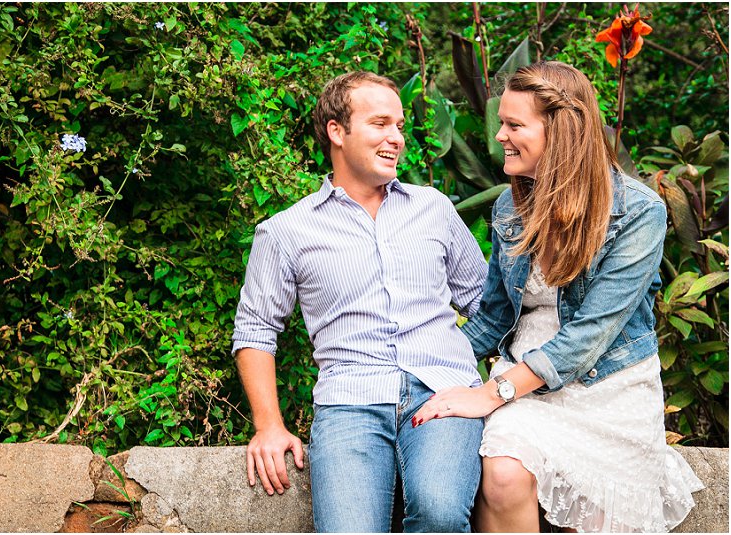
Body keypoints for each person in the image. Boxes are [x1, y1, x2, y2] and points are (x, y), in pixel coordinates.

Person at [412, 61, 704, 533]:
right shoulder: (510, 205)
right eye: (501, 124)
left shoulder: (638, 212)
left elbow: (591, 334)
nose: (500, 137)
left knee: (595, 515)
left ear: (560, 132)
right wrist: (424, 370)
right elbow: (493, 317)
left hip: (609, 384)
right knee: (503, 474)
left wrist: (491, 393)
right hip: (525, 379)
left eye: (514, 125)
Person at [232, 71, 488, 532]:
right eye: (380, 124)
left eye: (400, 126)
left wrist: (495, 388)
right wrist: (269, 424)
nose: (396, 139)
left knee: (439, 510)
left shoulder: (434, 209)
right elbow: (255, 330)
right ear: (337, 131)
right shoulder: (287, 231)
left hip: (443, 392)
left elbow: (485, 306)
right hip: (349, 401)